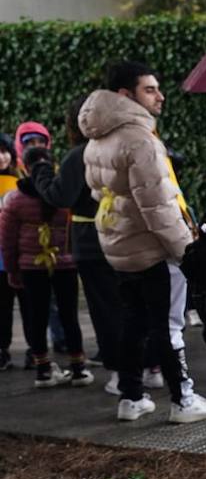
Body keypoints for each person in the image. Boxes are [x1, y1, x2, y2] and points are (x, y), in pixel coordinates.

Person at [80, 60, 206, 423]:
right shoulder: (140, 139)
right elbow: (158, 206)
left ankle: (131, 396)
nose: (160, 96)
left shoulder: (98, 136)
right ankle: (183, 400)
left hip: (120, 245)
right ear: (125, 95)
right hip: (153, 248)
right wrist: (186, 252)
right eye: (150, 89)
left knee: (133, 322)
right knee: (168, 324)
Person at [28, 96, 122, 377]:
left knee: (106, 309)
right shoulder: (123, 147)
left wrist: (40, 169)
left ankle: (124, 378)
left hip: (91, 241)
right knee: (129, 303)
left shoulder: (80, 154)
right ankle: (150, 367)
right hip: (126, 235)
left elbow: (60, 196)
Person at [0, 141, 91, 388]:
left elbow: (7, 241)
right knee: (69, 315)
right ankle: (78, 368)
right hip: (66, 265)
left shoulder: (14, 200)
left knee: (36, 317)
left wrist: (12, 270)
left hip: (31, 267)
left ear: (23, 166)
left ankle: (43, 370)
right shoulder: (64, 196)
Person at [0, 133, 24, 371]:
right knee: (2, 309)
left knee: (29, 308)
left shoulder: (20, 183)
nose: (1, 157)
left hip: (21, 257)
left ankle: (35, 352)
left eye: (5, 150)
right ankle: (2, 349)